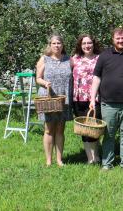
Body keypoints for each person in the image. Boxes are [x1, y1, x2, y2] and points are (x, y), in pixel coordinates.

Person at [90, 27, 123, 171]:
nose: (121, 41)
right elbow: (96, 77)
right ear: (113, 39)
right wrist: (92, 98)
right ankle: (106, 164)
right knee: (108, 135)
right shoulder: (104, 55)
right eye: (118, 38)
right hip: (108, 103)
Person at [36, 34, 72, 167]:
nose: (57, 46)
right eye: (54, 43)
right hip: (48, 97)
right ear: (50, 45)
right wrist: (45, 83)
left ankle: (59, 159)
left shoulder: (69, 59)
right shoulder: (44, 59)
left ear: (63, 45)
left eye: (59, 43)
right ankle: (48, 160)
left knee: (60, 129)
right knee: (49, 129)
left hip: (64, 98)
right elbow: (38, 78)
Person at [71, 34, 102, 164]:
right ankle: (90, 158)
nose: (87, 46)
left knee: (94, 128)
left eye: (89, 43)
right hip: (78, 99)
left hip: (95, 98)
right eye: (84, 43)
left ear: (93, 44)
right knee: (84, 129)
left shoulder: (100, 58)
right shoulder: (74, 59)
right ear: (80, 45)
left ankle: (97, 156)